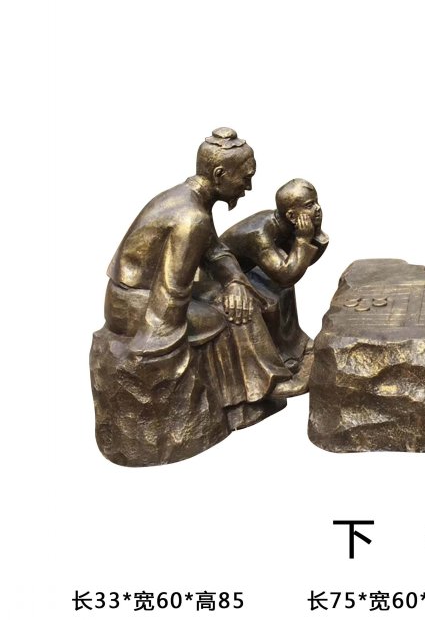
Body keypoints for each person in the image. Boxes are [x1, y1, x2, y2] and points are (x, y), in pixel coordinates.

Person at [92, 128, 291, 465]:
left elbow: (215, 252)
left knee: (237, 295)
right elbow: (172, 293)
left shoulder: (192, 200)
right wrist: (161, 348)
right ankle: (253, 392)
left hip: (145, 294)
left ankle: (261, 383)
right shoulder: (191, 217)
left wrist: (235, 282)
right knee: (229, 313)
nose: (249, 186)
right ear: (219, 174)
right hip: (136, 306)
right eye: (245, 177)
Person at [220, 179, 328, 388]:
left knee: (283, 290)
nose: (317, 208)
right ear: (291, 215)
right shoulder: (259, 233)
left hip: (248, 270)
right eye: (309, 205)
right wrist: (303, 240)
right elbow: (286, 275)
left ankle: (293, 348)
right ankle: (279, 359)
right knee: (271, 298)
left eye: (316, 202)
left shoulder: (284, 223)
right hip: (221, 277)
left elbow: (299, 265)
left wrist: (314, 233)